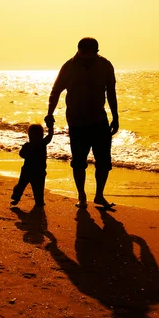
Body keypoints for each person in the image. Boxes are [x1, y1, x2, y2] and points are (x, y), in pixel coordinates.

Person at [44, 37, 119, 209]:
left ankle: (99, 195)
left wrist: (116, 117)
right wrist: (49, 113)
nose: (86, 57)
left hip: (99, 119)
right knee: (78, 161)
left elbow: (112, 93)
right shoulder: (69, 67)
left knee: (104, 161)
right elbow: (55, 91)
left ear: (96, 52)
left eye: (90, 54)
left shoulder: (105, 65)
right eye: (83, 53)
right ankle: (82, 196)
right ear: (79, 50)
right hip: (77, 121)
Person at [11, 122, 54, 207]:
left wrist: (51, 127)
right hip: (32, 171)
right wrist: (51, 127)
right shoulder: (38, 144)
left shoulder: (39, 144)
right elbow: (50, 136)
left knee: (36, 188)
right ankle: (18, 198)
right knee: (23, 186)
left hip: (34, 171)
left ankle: (38, 202)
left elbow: (50, 136)